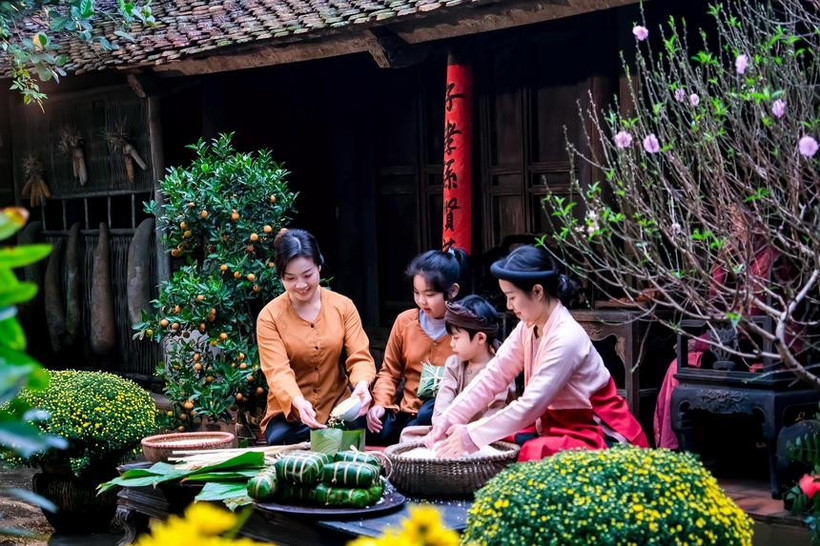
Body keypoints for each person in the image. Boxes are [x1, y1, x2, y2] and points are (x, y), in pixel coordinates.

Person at [429, 245, 648, 461]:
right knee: (495, 437)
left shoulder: (567, 337)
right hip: (556, 426)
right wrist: (449, 418)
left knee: (530, 450)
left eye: (512, 297)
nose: (508, 305)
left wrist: (470, 436)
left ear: (537, 291)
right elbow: (494, 374)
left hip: (597, 431)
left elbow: (531, 404)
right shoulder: (527, 326)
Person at [653, 205, 788, 449]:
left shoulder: (770, 259)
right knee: (677, 366)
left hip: (758, 351)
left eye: (737, 220)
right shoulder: (742, 258)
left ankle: (678, 450)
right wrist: (721, 263)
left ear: (756, 222)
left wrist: (701, 342)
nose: (732, 228)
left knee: (677, 368)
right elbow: (714, 307)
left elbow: (749, 322)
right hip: (732, 346)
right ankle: (687, 449)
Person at [257, 228, 376, 445]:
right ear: (281, 277)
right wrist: (297, 401)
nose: (301, 285)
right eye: (290, 278)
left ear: (319, 266)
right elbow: (277, 372)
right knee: (284, 439)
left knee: (366, 431)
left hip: (338, 409)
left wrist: (362, 384)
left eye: (307, 275)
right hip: (292, 415)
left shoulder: (343, 306)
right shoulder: (269, 316)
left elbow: (360, 356)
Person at [366, 249, 466, 445]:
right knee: (370, 427)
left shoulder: (465, 327)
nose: (421, 301)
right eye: (416, 293)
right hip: (406, 411)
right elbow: (389, 372)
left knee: (426, 414)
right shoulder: (405, 321)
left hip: (443, 414)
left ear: (452, 291)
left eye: (430, 294)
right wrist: (380, 404)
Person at [399, 295, 516, 443]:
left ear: (480, 338)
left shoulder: (502, 367)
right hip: (449, 430)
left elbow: (496, 413)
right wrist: (443, 428)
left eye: (456, 338)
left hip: (485, 436)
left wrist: (469, 434)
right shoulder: (454, 364)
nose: (451, 344)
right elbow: (442, 403)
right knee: (408, 435)